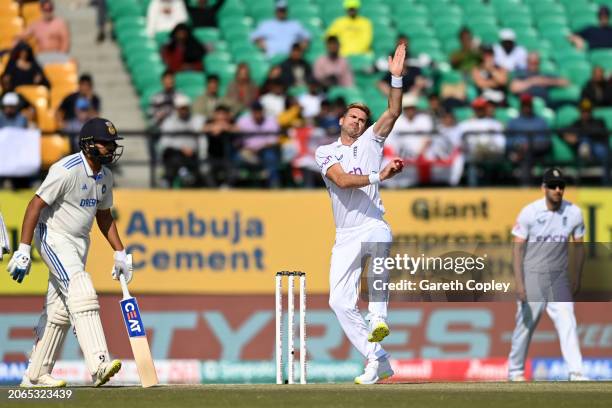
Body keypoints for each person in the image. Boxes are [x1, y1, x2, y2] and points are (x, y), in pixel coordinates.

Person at [7, 117, 129, 387]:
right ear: (87, 144)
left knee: (59, 310)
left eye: (112, 144)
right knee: (81, 287)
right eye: (105, 143)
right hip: (53, 237)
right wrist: (24, 249)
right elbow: (34, 206)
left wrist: (120, 252)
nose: (110, 148)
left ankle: (36, 375)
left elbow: (104, 217)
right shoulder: (66, 169)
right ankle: (99, 364)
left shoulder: (105, 177)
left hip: (78, 244)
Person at [314, 42, 406, 384]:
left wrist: (395, 80)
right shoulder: (325, 152)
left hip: (373, 224)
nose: (357, 122)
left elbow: (393, 112)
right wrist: (378, 176)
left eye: (362, 119)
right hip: (345, 235)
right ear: (342, 120)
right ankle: (376, 358)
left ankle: (378, 317)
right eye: (353, 117)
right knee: (338, 302)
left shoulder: (372, 141)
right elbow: (341, 180)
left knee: (380, 244)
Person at [508, 168, 588, 382]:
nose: (557, 190)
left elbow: (579, 247)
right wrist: (519, 282)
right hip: (532, 275)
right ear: (543, 188)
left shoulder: (574, 213)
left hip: (558, 277)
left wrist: (577, 276)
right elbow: (517, 248)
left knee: (567, 321)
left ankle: (576, 372)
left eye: (561, 186)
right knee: (525, 325)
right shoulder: (529, 213)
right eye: (552, 186)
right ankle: (515, 371)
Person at [158, 94, 206, 187]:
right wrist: (182, 148)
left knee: (177, 163)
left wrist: (198, 152)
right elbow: (164, 143)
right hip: (174, 153)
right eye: (181, 108)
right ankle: (182, 172)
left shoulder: (196, 120)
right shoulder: (169, 122)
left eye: (185, 108)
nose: (183, 110)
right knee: (173, 156)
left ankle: (172, 178)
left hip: (192, 155)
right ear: (177, 109)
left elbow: (202, 137)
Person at [506, 94, 550, 184]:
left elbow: (546, 141)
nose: (526, 107)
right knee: (524, 156)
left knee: (527, 154)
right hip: (518, 151)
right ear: (521, 106)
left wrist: (528, 145)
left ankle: (526, 187)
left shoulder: (540, 121)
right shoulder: (513, 122)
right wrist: (518, 144)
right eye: (524, 105)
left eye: (528, 105)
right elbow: (507, 141)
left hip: (537, 151)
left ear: (531, 105)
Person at [235, 100, 281, 188]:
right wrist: (244, 148)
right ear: (251, 112)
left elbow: (274, 141)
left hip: (264, 150)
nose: (257, 113)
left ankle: (274, 184)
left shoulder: (271, 121)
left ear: (263, 111)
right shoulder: (243, 121)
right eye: (255, 111)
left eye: (259, 110)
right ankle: (233, 185)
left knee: (270, 156)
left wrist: (258, 148)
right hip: (247, 151)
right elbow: (237, 139)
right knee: (236, 158)